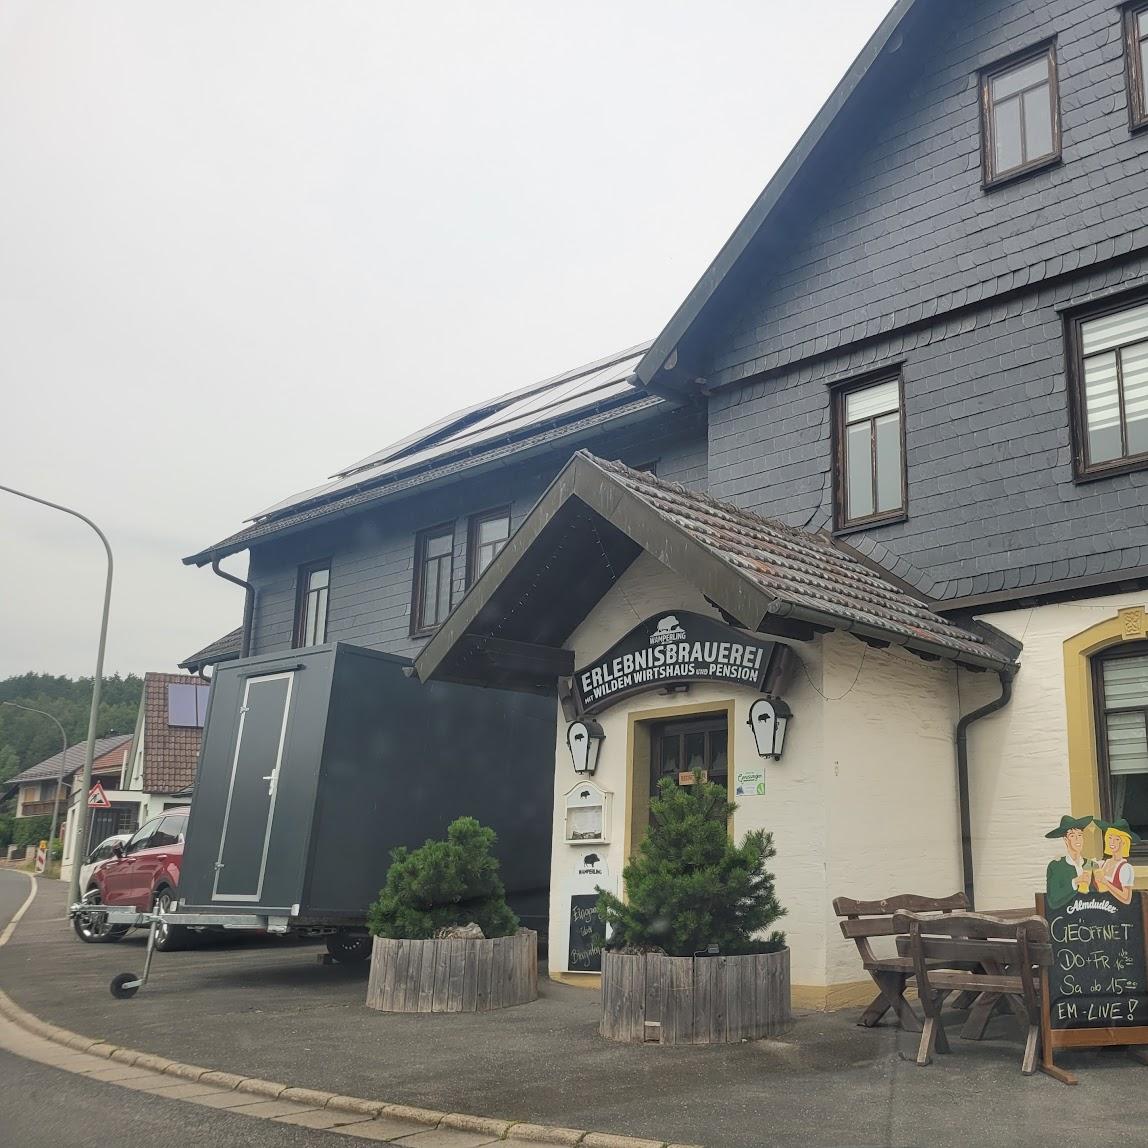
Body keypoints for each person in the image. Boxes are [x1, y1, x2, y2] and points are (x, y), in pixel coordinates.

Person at [1044, 814, 1096, 909]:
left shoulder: (1092, 864)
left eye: (1080, 835)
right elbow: (1053, 900)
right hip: (1066, 918)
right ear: (1066, 840)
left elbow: (1101, 895)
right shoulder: (1056, 866)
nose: (1078, 839)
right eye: (1072, 836)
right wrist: (1075, 882)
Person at [1093, 819, 1140, 906]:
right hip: (1099, 911)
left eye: (1117, 839)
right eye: (1110, 838)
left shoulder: (1125, 868)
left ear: (1123, 842)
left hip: (1117, 913)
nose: (1112, 842)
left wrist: (1106, 883)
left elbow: (1126, 899)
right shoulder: (1102, 864)